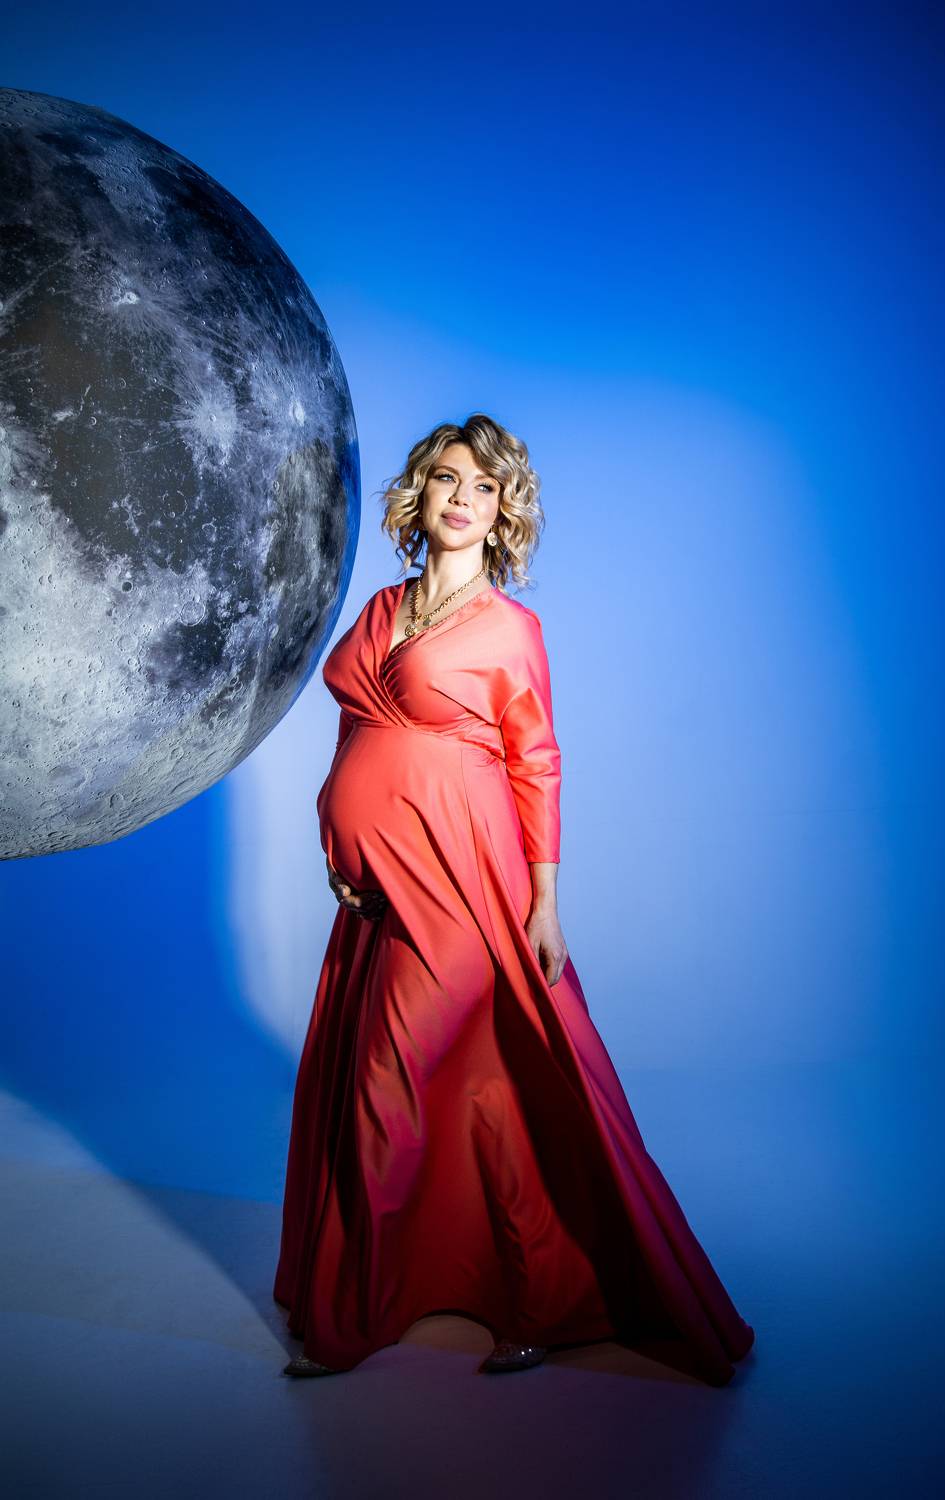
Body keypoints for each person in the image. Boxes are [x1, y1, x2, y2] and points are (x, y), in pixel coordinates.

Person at [273, 413, 755, 1383]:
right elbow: (358, 733)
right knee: (487, 1095)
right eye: (448, 479)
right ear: (421, 493)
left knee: (387, 1088)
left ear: (504, 514)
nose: (462, 498)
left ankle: (350, 1317)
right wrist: (337, 837)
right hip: (378, 895)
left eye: (484, 487)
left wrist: (544, 905)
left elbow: (537, 763)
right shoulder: (381, 608)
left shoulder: (509, 630)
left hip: (464, 885)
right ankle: (542, 1301)